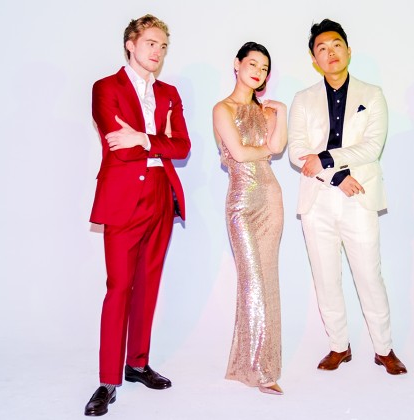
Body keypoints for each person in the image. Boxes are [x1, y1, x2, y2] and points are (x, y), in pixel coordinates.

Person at [84, 14, 191, 416]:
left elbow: (182, 146)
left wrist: (144, 136)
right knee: (119, 287)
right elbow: (118, 146)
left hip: (161, 197)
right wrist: (156, 141)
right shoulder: (105, 87)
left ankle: (137, 363)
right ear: (130, 43)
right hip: (123, 199)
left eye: (163, 46)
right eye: (151, 43)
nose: (157, 52)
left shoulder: (169, 93)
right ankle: (108, 380)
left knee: (147, 285)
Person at [288, 19, 407, 375]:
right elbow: (297, 151)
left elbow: (371, 147)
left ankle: (383, 348)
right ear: (314, 58)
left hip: (360, 198)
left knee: (369, 275)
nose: (331, 53)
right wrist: (336, 174)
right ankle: (339, 346)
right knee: (326, 277)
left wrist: (325, 159)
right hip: (318, 200)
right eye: (322, 49)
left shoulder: (372, 95)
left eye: (336, 45)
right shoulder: (303, 99)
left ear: (349, 50)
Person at [212, 41, 288, 395]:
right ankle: (256, 367)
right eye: (253, 63)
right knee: (251, 281)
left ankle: (263, 365)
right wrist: (266, 150)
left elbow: (280, 147)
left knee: (267, 281)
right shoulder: (222, 109)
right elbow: (241, 153)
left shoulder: (271, 111)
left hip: (271, 198)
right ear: (237, 64)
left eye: (264, 68)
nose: (258, 71)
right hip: (242, 202)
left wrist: (283, 112)